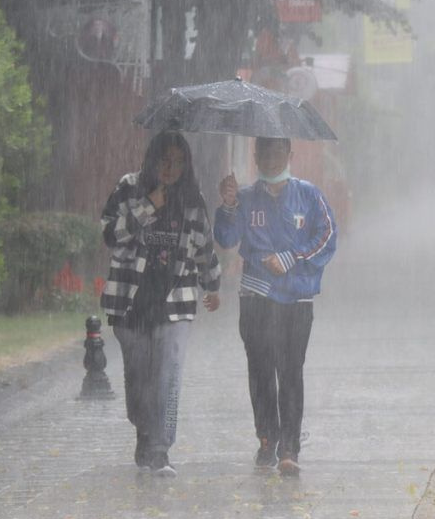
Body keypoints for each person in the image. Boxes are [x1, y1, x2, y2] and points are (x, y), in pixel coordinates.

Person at [100, 131, 221, 477]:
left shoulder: (191, 198)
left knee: (168, 373)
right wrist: (148, 205)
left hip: (175, 300)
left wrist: (212, 284)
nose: (171, 168)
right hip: (130, 301)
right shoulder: (128, 188)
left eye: (179, 162)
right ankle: (145, 433)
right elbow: (110, 234)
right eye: (165, 160)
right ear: (152, 159)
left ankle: (160, 449)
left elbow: (203, 247)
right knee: (139, 380)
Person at [215, 137, 337, 475]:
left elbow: (327, 237)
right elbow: (226, 239)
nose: (271, 159)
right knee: (260, 370)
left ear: (289, 155)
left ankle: (290, 447)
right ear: (254, 157)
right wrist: (226, 206)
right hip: (255, 298)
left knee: (290, 371)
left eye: (278, 152)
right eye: (264, 153)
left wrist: (291, 258)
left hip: (295, 301)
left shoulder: (309, 195)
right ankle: (266, 439)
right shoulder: (244, 198)